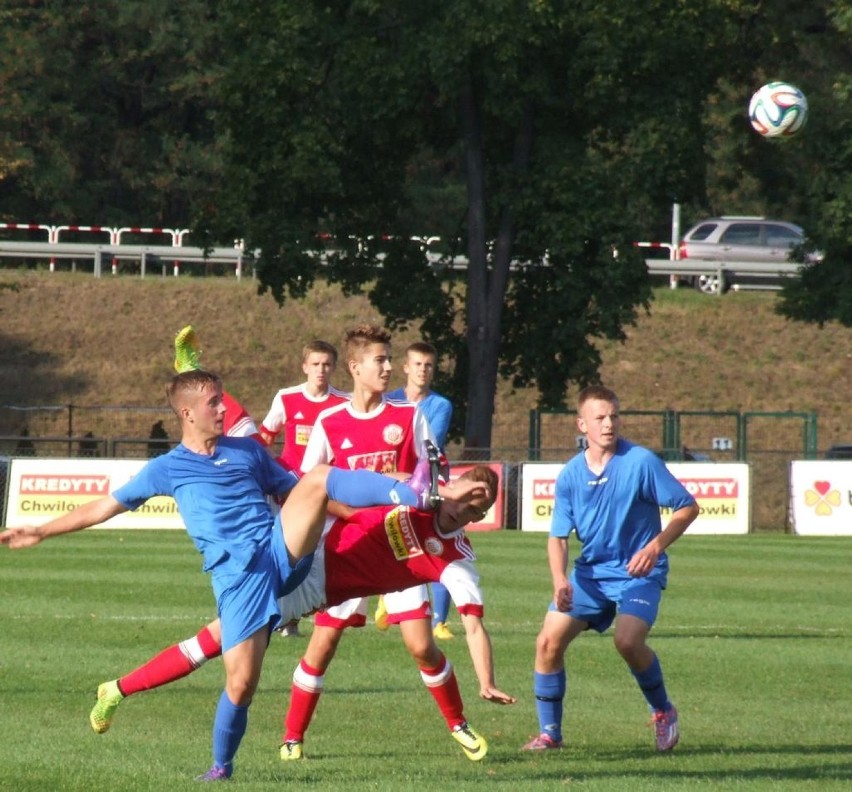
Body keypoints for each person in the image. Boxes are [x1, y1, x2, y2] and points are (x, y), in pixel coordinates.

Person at [0, 369, 448, 781]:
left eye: (221, 401)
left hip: (281, 550)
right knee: (241, 683)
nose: (223, 409)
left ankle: (411, 490)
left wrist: (360, 509)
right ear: (187, 413)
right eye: (214, 403)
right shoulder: (167, 468)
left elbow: (300, 491)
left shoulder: (247, 450)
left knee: (317, 478)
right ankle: (221, 768)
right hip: (239, 582)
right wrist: (40, 529)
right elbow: (104, 506)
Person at [281, 324, 494, 763]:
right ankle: (292, 737)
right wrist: (352, 514)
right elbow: (309, 484)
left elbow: (434, 474)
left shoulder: (407, 417)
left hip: (405, 546)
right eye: (380, 360)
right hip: (351, 543)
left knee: (421, 646)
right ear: (356, 368)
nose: (389, 368)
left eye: (389, 359)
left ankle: (458, 724)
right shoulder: (330, 421)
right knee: (322, 644)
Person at [522, 385, 699, 753]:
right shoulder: (570, 475)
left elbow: (687, 508)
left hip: (638, 573)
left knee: (628, 641)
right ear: (581, 424)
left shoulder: (641, 462)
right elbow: (557, 537)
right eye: (600, 417)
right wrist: (559, 580)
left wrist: (655, 546)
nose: (609, 423)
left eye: (614, 416)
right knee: (547, 642)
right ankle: (550, 735)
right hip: (590, 575)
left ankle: (663, 710)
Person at [258, 339, 348, 637]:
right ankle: (277, 614)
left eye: (326, 364)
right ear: (304, 367)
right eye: (315, 364)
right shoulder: (287, 398)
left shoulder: (343, 403)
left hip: (322, 493)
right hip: (286, 491)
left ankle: (293, 616)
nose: (321, 370)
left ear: (334, 367)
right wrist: (274, 473)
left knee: (314, 553)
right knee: (282, 552)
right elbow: (263, 440)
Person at [387, 340, 455, 640]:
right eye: (417, 364)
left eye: (428, 365)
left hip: (427, 481)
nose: (423, 370)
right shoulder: (389, 400)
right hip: (394, 479)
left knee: (436, 545)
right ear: (405, 367)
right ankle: (388, 600)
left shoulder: (440, 405)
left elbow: (428, 445)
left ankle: (439, 621)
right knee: (391, 542)